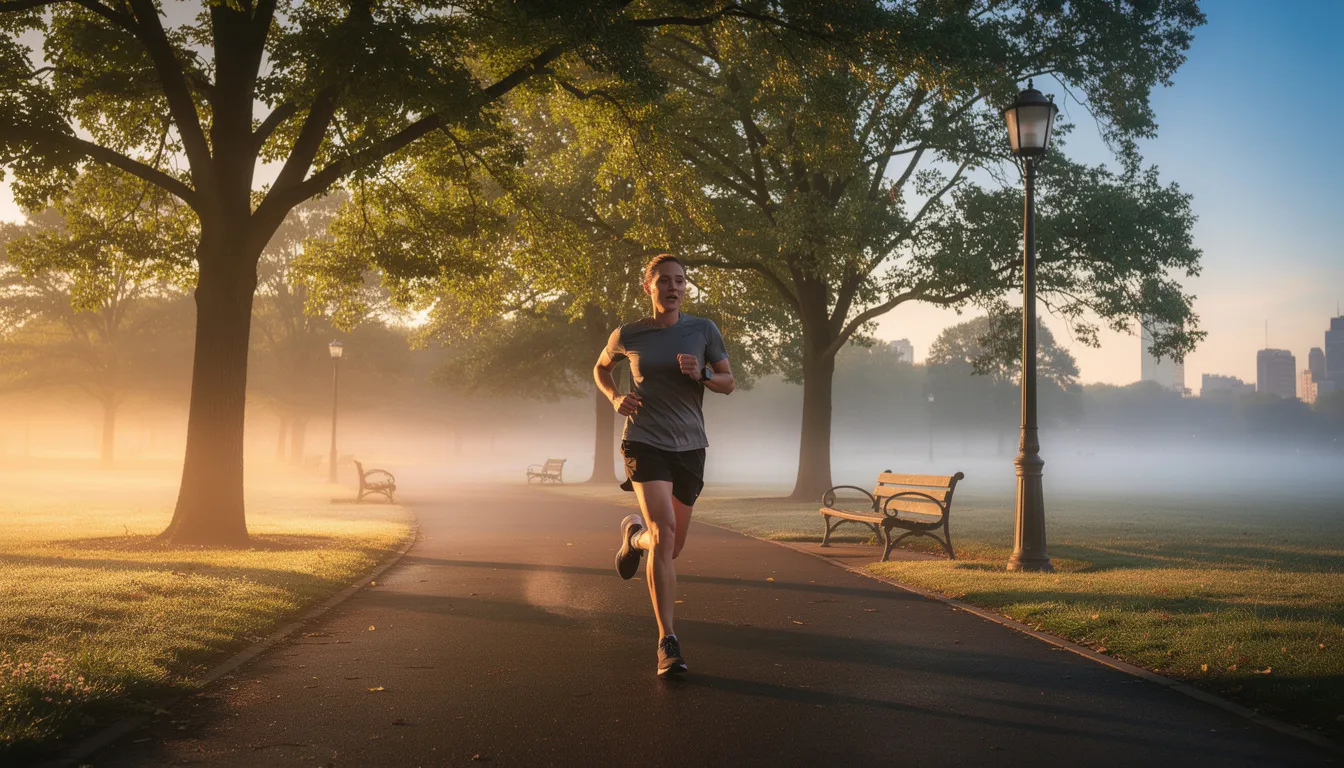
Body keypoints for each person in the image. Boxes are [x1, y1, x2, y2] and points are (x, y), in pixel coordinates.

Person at [593, 254, 735, 677]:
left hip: (690, 447)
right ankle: (667, 640)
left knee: (670, 548)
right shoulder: (628, 333)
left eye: (681, 281)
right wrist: (616, 397)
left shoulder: (703, 329)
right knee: (665, 531)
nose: (674, 287)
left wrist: (703, 374)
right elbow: (601, 368)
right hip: (644, 440)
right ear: (649, 288)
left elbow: (728, 383)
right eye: (665, 282)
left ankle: (632, 535)